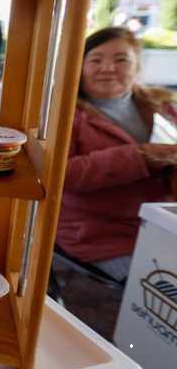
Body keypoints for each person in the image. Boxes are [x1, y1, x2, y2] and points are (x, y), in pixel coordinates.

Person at [56, 27, 177, 281]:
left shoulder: (162, 105)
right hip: (100, 234)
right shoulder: (64, 113)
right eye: (96, 60)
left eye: (121, 60)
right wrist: (141, 156)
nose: (108, 68)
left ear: (137, 67)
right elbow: (62, 174)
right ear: (79, 67)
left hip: (162, 223)